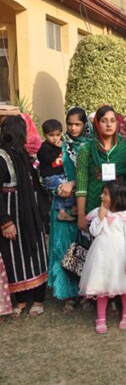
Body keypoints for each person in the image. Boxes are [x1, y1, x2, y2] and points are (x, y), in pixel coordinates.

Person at [79, 180, 126, 333]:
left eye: (105, 194)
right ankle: (101, 317)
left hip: (119, 255)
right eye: (102, 193)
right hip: (101, 254)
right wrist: (100, 217)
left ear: (116, 197)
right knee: (101, 286)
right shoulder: (99, 212)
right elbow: (94, 232)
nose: (101, 196)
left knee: (125, 287)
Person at [0, 116, 48, 318]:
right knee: (14, 255)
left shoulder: (23, 155)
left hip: (30, 212)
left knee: (35, 252)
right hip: (11, 212)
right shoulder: (2, 156)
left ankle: (38, 298)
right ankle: (20, 299)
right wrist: (5, 221)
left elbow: (35, 184)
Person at [47, 107, 92, 312]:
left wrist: (74, 183)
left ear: (85, 125)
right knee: (64, 248)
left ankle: (87, 292)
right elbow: (46, 172)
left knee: (86, 248)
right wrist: (60, 187)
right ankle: (69, 294)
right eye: (70, 124)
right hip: (61, 206)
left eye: (78, 124)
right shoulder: (58, 145)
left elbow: (94, 176)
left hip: (85, 204)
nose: (73, 128)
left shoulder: (91, 147)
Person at [76, 105, 126, 228]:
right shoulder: (87, 149)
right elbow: (81, 184)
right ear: (97, 123)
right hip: (95, 207)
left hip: (121, 208)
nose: (109, 125)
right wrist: (81, 215)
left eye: (112, 121)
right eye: (104, 121)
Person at [38, 119, 77, 221]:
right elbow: (48, 159)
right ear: (44, 135)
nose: (55, 138)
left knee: (68, 190)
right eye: (51, 135)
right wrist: (57, 149)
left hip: (61, 175)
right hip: (51, 178)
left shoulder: (63, 145)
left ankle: (66, 210)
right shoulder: (44, 148)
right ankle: (65, 210)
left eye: (58, 135)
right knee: (62, 190)